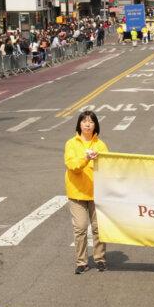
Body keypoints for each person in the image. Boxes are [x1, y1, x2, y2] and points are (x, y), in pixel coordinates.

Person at [65, 111, 110, 273]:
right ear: (79, 125)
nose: (87, 124)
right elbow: (72, 166)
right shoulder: (71, 143)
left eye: (91, 121)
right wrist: (86, 159)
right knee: (81, 227)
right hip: (77, 193)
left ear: (95, 125)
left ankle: (100, 258)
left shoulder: (100, 144)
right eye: (84, 121)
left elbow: (108, 166)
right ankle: (81, 262)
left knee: (98, 228)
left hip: (97, 193)